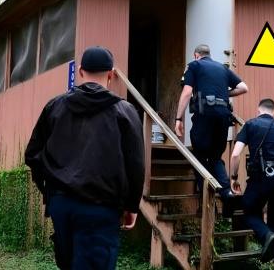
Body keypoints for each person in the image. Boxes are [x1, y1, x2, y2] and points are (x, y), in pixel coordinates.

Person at [24, 46, 145, 270]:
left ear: (81, 71)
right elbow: (136, 164)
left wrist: (50, 191)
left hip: (61, 205)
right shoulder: (125, 112)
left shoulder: (55, 107)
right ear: (110, 74)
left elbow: (32, 154)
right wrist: (132, 206)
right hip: (101, 207)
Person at [229, 98, 274, 270]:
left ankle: (266, 235)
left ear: (258, 110)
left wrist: (233, 178)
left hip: (261, 178)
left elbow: (235, 155)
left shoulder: (251, 125)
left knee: (249, 212)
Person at [175, 44, 248, 201]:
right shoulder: (222, 68)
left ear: (196, 55)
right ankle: (227, 192)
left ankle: (204, 196)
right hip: (223, 116)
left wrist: (178, 118)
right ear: (209, 54)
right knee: (215, 156)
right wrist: (224, 94)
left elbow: (187, 92)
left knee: (200, 155)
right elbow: (243, 88)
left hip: (205, 115)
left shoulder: (194, 65)